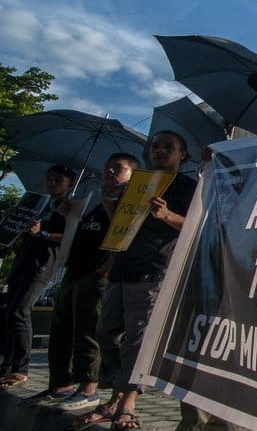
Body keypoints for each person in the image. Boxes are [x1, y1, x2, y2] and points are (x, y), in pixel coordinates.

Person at [177, 71, 257, 431]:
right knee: (202, 342)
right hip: (221, 261)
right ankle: (192, 421)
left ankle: (228, 423)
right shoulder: (238, 150)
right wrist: (216, 162)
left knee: (245, 349)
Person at [75, 132, 196, 430]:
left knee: (137, 339)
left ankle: (127, 401)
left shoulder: (189, 186)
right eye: (155, 145)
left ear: (182, 155)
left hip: (154, 269)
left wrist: (167, 215)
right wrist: (107, 200)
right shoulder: (138, 184)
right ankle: (117, 393)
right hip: (122, 268)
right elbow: (122, 222)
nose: (160, 150)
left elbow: (196, 225)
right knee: (105, 332)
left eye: (169, 146)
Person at [23, 154, 139, 411]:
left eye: (118, 168)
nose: (109, 170)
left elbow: (124, 234)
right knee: (62, 330)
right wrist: (68, 215)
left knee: (88, 331)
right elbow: (79, 234)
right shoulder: (95, 201)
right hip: (74, 271)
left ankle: (88, 388)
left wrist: (107, 267)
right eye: (108, 165)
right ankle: (60, 383)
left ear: (131, 175)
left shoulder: (130, 201)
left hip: (96, 274)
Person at [0, 164, 75, 390]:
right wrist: (14, 217)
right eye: (50, 178)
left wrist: (42, 233)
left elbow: (69, 237)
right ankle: (7, 365)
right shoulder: (39, 204)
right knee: (10, 312)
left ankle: (21, 369)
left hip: (42, 266)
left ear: (69, 183)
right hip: (22, 262)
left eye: (58, 179)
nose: (52, 183)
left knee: (20, 312)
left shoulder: (69, 208)